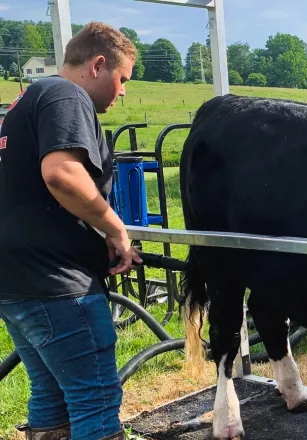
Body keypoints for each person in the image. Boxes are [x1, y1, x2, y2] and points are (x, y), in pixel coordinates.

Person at [0, 21, 142, 440]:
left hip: (17, 281)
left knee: (51, 397)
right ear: (98, 65)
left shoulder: (24, 102)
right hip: (58, 284)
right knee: (95, 401)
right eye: (122, 79)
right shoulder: (66, 94)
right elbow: (61, 174)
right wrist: (116, 230)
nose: (123, 92)